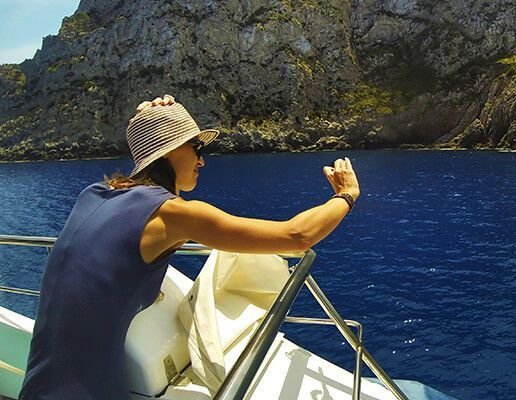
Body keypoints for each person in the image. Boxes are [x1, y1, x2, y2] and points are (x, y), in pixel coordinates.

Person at [19, 95, 360, 399]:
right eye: (196, 148)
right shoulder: (174, 216)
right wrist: (346, 195)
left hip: (38, 386)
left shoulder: (93, 194)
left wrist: (147, 124)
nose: (203, 160)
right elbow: (296, 237)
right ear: (168, 149)